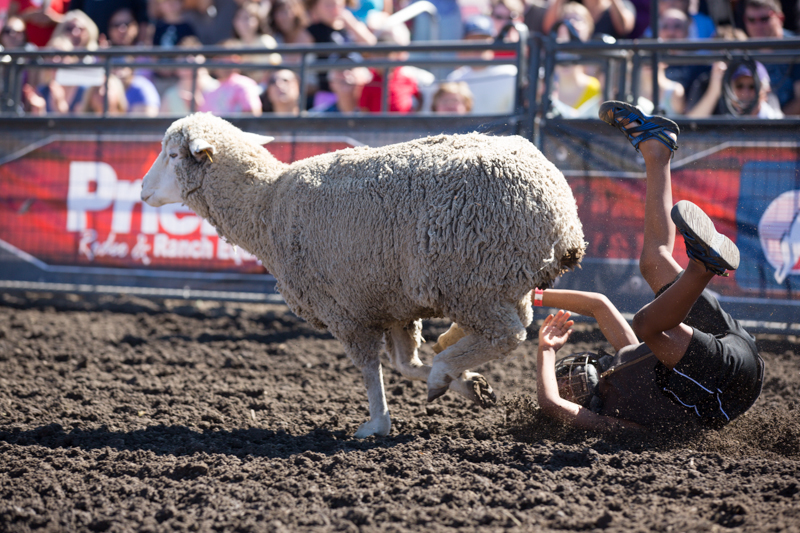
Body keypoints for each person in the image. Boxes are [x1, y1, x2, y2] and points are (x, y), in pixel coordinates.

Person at [535, 101, 764, 432]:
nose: (569, 383)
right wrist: (545, 351)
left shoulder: (624, 356)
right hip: (728, 386)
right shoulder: (613, 419)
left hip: (731, 343)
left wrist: (531, 296)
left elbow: (598, 304)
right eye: (568, 386)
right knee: (646, 323)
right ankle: (701, 268)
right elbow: (550, 404)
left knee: (653, 261)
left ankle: (657, 150)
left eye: (565, 378)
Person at [445, 15, 518, 115]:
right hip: (467, 130)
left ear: (493, 41)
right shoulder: (455, 78)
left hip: (503, 130)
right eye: (473, 39)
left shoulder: (510, 74)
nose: (478, 45)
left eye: (483, 38)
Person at [742, 0, 800, 116]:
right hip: (752, 127)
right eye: (751, 20)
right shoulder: (742, 51)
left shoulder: (796, 47)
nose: (758, 26)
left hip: (791, 129)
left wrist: (774, 123)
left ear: (780, 18)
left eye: (764, 19)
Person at [548, 2, 603, 118]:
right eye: (566, 19)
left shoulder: (597, 90)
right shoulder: (544, 87)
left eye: (577, 19)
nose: (571, 24)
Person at [686, 60, 783, 118]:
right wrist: (714, 91)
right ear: (730, 89)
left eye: (752, 87)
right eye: (739, 86)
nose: (745, 92)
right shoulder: (725, 118)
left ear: (765, 90)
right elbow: (691, 126)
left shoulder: (773, 115)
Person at [199, 39, 263, 115]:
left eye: (230, 59)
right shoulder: (209, 89)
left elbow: (254, 113)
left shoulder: (244, 84)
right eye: (222, 59)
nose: (226, 64)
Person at [542, 0, 637, 39]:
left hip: (606, 70)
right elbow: (550, 28)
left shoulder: (619, 5)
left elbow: (624, 28)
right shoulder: (572, 5)